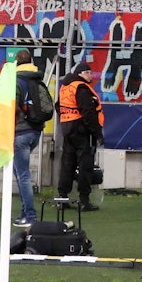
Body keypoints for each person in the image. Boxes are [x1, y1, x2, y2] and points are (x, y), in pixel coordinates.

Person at [57, 61, 104, 211]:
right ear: (80, 74)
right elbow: (88, 113)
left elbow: (58, 106)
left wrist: (67, 118)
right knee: (85, 166)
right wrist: (97, 133)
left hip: (67, 129)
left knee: (67, 165)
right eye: (87, 73)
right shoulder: (81, 88)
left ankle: (62, 198)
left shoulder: (65, 86)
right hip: (82, 131)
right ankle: (84, 201)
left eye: (90, 72)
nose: (90, 75)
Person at [12, 49, 44, 228]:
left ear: (17, 62)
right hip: (36, 130)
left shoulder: (16, 80)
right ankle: (25, 213)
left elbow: (13, 106)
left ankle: (30, 215)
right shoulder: (38, 78)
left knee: (22, 174)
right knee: (19, 171)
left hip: (21, 131)